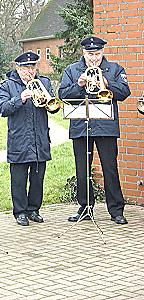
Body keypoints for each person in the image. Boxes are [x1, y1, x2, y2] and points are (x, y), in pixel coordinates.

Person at [58, 36, 131, 224]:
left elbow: (124, 92)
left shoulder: (114, 69)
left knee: (110, 168)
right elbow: (63, 95)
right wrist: (79, 85)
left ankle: (116, 210)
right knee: (82, 169)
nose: (94, 58)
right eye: (90, 54)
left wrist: (107, 83)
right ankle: (85, 206)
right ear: (83, 53)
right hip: (81, 126)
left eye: (97, 54)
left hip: (106, 126)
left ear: (102, 52)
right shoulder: (72, 70)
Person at [0, 51, 53, 226]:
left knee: (38, 178)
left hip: (39, 138)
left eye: (33, 67)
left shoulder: (44, 82)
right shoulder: (7, 85)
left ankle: (34, 209)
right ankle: (20, 212)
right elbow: (2, 109)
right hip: (19, 139)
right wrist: (19, 99)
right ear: (17, 67)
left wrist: (46, 100)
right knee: (19, 179)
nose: (30, 71)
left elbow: (53, 107)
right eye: (26, 68)